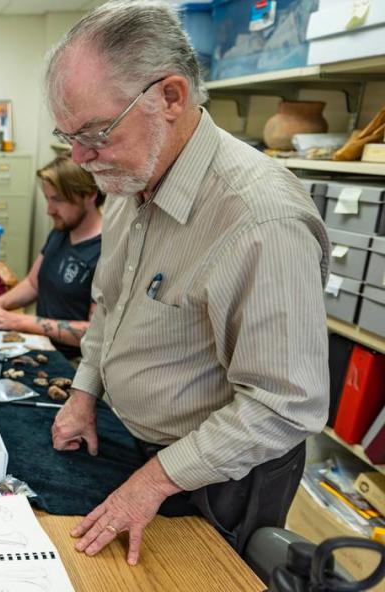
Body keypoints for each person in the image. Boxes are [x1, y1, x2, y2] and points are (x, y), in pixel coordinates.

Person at [44, 0, 329, 565]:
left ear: (170, 98)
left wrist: (153, 481)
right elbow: (112, 306)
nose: (79, 157)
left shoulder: (259, 220)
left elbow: (284, 405)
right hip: (132, 442)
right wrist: (84, 392)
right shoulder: (131, 178)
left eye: (96, 131)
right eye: (67, 134)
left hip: (219, 477)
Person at [0, 155, 103, 358]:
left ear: (90, 195)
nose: (49, 210)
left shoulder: (106, 251)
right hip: (40, 344)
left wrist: (19, 321)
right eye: (48, 199)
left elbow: (94, 333)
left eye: (58, 200)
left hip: (72, 360)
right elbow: (32, 284)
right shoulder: (62, 230)